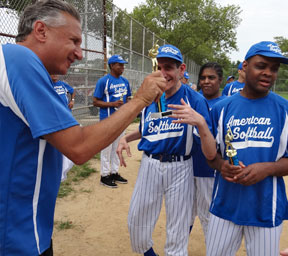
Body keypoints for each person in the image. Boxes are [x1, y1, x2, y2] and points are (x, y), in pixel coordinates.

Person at [0, 0, 166, 255]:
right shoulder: (19, 58)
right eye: (74, 41)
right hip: (15, 237)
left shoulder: (22, 66)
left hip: (26, 228)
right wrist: (141, 100)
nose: (79, 53)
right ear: (41, 31)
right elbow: (78, 147)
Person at [117, 44, 216, 256]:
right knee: (136, 222)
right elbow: (148, 129)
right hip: (149, 165)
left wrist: (200, 123)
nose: (163, 73)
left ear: (181, 70)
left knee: (178, 231)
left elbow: (210, 151)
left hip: (180, 167)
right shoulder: (149, 97)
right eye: (159, 67)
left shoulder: (194, 100)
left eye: (169, 67)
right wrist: (126, 137)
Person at [206, 41, 288, 256]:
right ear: (244, 66)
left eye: (274, 68)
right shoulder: (221, 108)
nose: (268, 73)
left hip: (266, 208)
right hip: (225, 204)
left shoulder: (285, 109)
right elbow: (210, 155)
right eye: (261, 65)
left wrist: (267, 168)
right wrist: (221, 165)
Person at [190, 62, 226, 241]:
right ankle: (177, 250)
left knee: (208, 216)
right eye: (203, 78)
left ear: (220, 80)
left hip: (209, 170)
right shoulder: (193, 100)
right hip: (186, 166)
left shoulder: (226, 104)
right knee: (183, 214)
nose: (206, 81)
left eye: (211, 78)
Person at [93, 55, 131, 188]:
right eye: (119, 65)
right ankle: (104, 175)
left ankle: (114, 172)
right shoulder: (104, 81)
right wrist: (112, 103)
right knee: (106, 148)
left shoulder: (125, 81)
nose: (122, 67)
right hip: (107, 121)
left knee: (117, 147)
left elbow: (128, 99)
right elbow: (95, 101)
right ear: (112, 66)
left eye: (123, 64)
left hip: (121, 121)